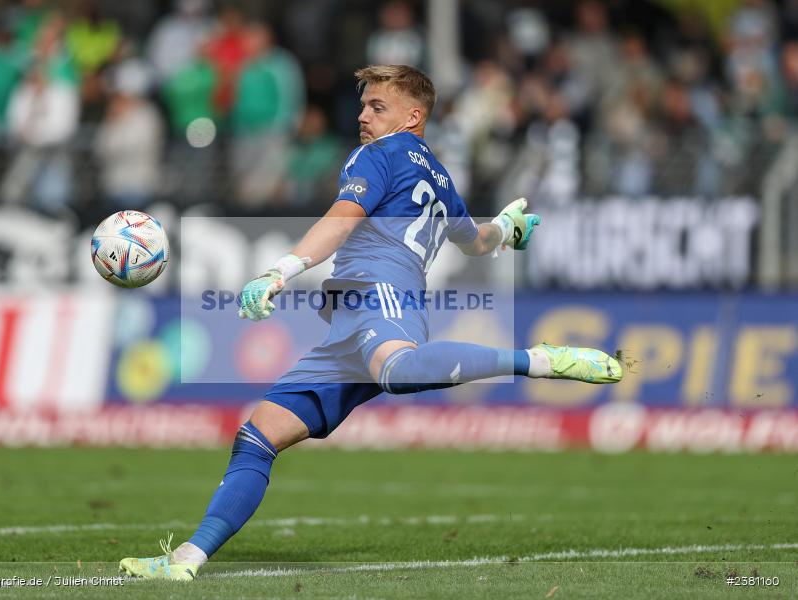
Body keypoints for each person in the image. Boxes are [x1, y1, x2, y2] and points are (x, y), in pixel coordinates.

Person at [119, 65, 623, 581]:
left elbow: (343, 217)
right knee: (260, 434)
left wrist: (281, 270)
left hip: (381, 298)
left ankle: (537, 360)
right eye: (363, 106)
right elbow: (475, 242)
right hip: (351, 324)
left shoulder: (378, 155)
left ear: (413, 116)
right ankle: (187, 560)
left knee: (396, 369)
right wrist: (507, 229)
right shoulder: (440, 177)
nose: (363, 116)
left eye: (377, 107)